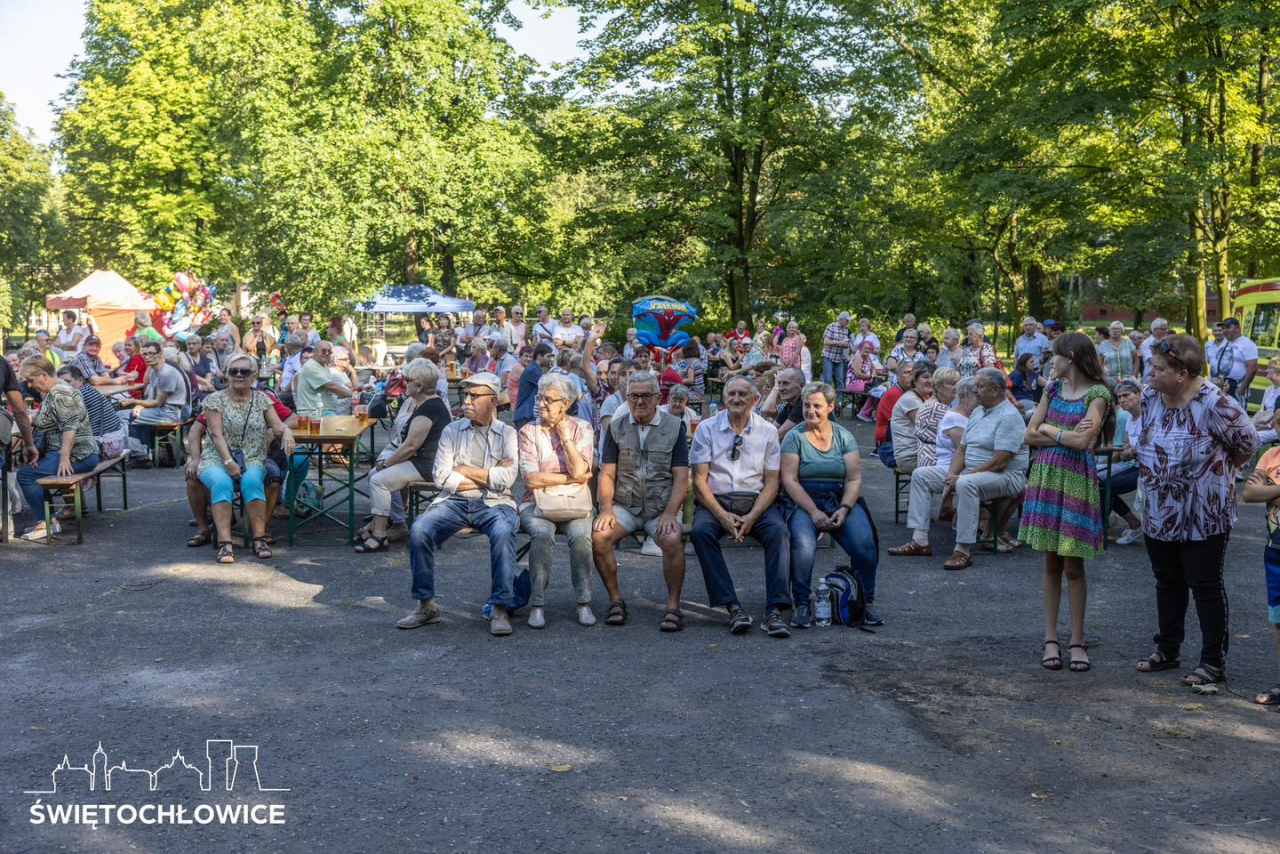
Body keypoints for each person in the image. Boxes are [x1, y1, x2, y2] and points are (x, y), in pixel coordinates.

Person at [1133, 334, 1258, 689]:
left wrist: (1216, 475)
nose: (1149, 374)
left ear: (1182, 373)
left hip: (1204, 513)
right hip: (1158, 509)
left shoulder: (1216, 404)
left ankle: (1212, 662)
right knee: (1167, 581)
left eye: (1157, 369)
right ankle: (1167, 649)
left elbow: (1247, 443)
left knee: (1204, 585)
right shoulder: (1151, 395)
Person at [1017, 332, 1113, 673]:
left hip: (1075, 480)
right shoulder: (1052, 389)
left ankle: (1076, 640)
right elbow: (1028, 434)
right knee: (1050, 563)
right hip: (1046, 476)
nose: (1049, 362)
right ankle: (1050, 640)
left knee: (1073, 565)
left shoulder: (1099, 394)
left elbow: (1083, 441)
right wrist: (1064, 434)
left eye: (1053, 356)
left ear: (1070, 357)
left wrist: (1051, 430)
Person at [399, 372, 521, 636]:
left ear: (492, 401)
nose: (466, 401)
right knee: (420, 531)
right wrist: (489, 474)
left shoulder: (507, 433)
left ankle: (500, 607)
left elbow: (507, 479)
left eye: (474, 396)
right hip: (453, 501)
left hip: (495, 503)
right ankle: (426, 605)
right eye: (465, 395)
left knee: (503, 532)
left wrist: (463, 469)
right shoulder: (452, 430)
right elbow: (441, 476)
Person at [889, 367, 1030, 570]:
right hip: (973, 471)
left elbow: (1000, 461)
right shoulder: (979, 412)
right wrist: (951, 475)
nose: (975, 391)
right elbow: (962, 450)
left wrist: (963, 476)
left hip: (1006, 476)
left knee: (965, 483)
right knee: (921, 475)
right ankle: (919, 541)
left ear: (996, 390)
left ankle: (962, 550)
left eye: (980, 387)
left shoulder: (1009, 416)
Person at [690, 376, 792, 637]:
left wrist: (753, 516)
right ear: (724, 398)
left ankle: (774, 610)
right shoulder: (706, 428)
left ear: (755, 400)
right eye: (731, 394)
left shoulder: (767, 431)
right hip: (717, 501)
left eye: (742, 394)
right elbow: (699, 482)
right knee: (701, 532)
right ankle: (732, 606)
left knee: (778, 532)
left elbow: (772, 483)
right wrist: (722, 515)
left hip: (756, 500)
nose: (736, 399)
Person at [593, 371, 691, 630]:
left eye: (645, 396)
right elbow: (607, 472)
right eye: (633, 396)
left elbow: (681, 477)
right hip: (626, 505)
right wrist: (606, 508)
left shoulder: (674, 426)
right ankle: (615, 600)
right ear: (627, 398)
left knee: (671, 539)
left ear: (658, 397)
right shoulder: (617, 426)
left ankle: (673, 606)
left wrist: (671, 513)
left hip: (661, 507)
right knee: (599, 536)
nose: (639, 402)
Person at [780, 381, 880, 628]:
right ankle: (802, 603)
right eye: (806, 405)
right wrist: (813, 511)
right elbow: (789, 480)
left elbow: (854, 478)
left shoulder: (844, 436)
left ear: (831, 407)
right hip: (805, 498)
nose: (810, 411)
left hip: (839, 497)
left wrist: (845, 508)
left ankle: (865, 602)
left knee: (865, 545)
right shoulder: (794, 437)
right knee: (803, 545)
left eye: (817, 406)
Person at [517, 374, 596, 628]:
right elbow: (530, 479)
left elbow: (579, 469)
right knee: (541, 533)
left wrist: (565, 438)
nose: (541, 404)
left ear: (566, 403)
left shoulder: (582, 428)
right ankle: (537, 604)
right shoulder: (529, 431)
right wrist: (572, 477)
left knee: (582, 537)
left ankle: (584, 603)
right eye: (540, 397)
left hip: (576, 504)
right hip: (536, 504)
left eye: (549, 400)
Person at [198, 354, 294, 563]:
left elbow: (278, 425)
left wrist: (286, 431)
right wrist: (228, 462)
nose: (239, 375)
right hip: (216, 458)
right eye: (234, 371)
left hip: (251, 456)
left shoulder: (262, 399)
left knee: (252, 481)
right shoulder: (215, 399)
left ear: (254, 375)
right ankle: (225, 543)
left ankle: (259, 539)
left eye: (245, 371)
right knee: (222, 482)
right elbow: (216, 434)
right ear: (227, 374)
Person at [356, 359, 451, 553]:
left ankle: (380, 536)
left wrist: (386, 464)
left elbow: (411, 446)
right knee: (375, 474)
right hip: (422, 461)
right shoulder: (425, 403)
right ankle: (380, 526)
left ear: (420, 386)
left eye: (408, 380)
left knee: (379, 479)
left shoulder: (429, 408)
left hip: (428, 466)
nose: (404, 383)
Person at [15, 356, 101, 540]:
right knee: (32, 470)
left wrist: (64, 459)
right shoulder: (56, 390)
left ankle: (46, 522)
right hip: (74, 452)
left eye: (31, 380)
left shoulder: (59, 393)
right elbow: (45, 418)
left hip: (79, 455)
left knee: (26, 475)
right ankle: (47, 520)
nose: (30, 386)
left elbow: (71, 426)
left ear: (43, 375)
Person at [1241, 444, 1280, 707]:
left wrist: (1269, 489)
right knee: (1279, 621)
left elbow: (1261, 492)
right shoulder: (1271, 455)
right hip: (1275, 551)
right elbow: (1249, 493)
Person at [122, 341, 191, 465]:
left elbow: (158, 402)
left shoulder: (167, 373)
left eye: (151, 353)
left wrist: (134, 401)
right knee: (131, 414)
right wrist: (139, 405)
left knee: (120, 417)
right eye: (145, 354)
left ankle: (139, 454)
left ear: (160, 354)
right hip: (163, 409)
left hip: (170, 413)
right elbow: (150, 398)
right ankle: (142, 453)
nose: (148, 357)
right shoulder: (155, 371)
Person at [1097, 379, 1145, 545]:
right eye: (1119, 397)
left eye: (1127, 395)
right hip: (1137, 465)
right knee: (1102, 485)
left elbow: (1140, 448)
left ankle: (1100, 530)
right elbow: (1127, 448)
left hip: (1149, 469)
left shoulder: (1147, 417)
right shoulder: (1130, 420)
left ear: (1138, 395)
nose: (1123, 399)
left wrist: (1131, 451)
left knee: (1105, 486)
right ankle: (1134, 523)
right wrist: (1132, 451)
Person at [59, 365, 127, 458]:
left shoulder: (79, 394)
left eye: (68, 382)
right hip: (115, 444)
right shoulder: (88, 389)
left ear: (80, 380)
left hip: (105, 447)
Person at [889, 363, 934, 473]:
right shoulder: (911, 400)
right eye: (925, 377)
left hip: (922, 454)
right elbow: (929, 430)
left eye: (933, 377)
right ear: (915, 379)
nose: (930, 380)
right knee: (953, 468)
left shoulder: (922, 399)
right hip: (910, 458)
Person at [295, 341, 353, 417]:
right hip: (314, 412)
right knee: (346, 425)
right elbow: (331, 386)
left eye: (329, 351)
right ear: (314, 352)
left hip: (323, 411)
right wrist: (354, 394)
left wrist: (357, 390)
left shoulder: (323, 366)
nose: (327, 353)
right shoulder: (311, 366)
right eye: (323, 351)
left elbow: (331, 390)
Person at [915, 367, 958, 468]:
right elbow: (962, 434)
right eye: (952, 384)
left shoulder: (934, 403)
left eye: (957, 383)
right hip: (935, 461)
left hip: (930, 457)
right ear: (938, 387)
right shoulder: (936, 407)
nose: (957, 387)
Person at [874, 361, 914, 467]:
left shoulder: (915, 393)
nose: (911, 376)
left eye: (913, 373)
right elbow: (904, 427)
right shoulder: (893, 395)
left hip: (906, 446)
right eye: (907, 372)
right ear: (897, 374)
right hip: (890, 449)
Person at [1214, 317, 1259, 405]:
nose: (1225, 331)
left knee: (1238, 417)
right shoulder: (1225, 343)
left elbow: (1252, 369)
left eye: (1228, 327)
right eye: (1223, 328)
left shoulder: (1247, 344)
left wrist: (1243, 388)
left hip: (1237, 389)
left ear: (1238, 328)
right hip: (1224, 388)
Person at [513, 343, 554, 430]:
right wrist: (554, 368)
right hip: (524, 416)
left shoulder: (534, 369)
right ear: (539, 356)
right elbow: (550, 385)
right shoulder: (532, 370)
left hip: (527, 415)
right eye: (548, 356)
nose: (550, 359)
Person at [760, 366, 805, 440]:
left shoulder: (804, 403)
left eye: (786, 383)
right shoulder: (789, 406)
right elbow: (772, 429)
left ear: (802, 385)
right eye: (778, 384)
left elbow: (779, 435)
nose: (780, 388)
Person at [821, 311, 853, 412]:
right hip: (828, 356)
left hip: (839, 357)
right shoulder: (831, 326)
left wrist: (846, 345)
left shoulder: (846, 330)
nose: (848, 322)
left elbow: (845, 343)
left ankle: (838, 401)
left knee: (840, 380)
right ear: (841, 319)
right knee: (828, 378)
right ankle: (826, 400)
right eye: (847, 320)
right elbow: (826, 342)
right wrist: (840, 343)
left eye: (848, 321)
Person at [850, 341, 883, 422]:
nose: (867, 350)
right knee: (877, 391)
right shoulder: (858, 357)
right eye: (865, 348)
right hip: (854, 383)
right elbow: (857, 374)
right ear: (861, 348)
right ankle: (864, 413)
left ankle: (874, 414)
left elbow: (874, 368)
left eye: (869, 348)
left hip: (865, 384)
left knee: (881, 391)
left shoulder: (868, 358)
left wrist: (874, 372)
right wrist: (870, 376)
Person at [1251, 362, 1280, 447]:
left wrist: (1264, 427)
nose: (1266, 370)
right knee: (1245, 433)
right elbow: (1261, 410)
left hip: (1276, 427)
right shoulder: (1268, 390)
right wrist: (1251, 425)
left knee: (1255, 438)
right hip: (1265, 424)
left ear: (1278, 371)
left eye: (1269, 368)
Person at [1138, 317, 1169, 381]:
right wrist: (1167, 359)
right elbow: (1152, 360)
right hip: (1150, 377)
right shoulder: (1146, 343)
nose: (1166, 331)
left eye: (1166, 329)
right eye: (1163, 329)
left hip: (1166, 377)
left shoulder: (1168, 342)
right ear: (1155, 329)